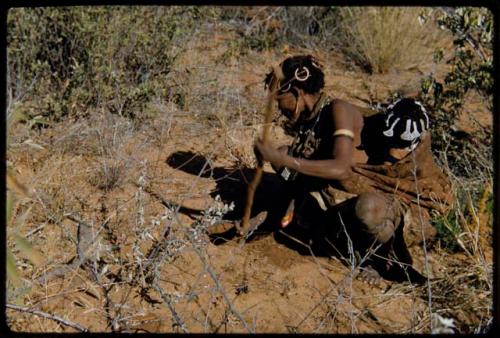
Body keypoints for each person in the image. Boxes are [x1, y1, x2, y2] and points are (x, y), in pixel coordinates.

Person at [248, 54, 453, 283]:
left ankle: (377, 260)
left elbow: (341, 170)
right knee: (287, 157)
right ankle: (333, 236)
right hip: (348, 196)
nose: (278, 107)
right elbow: (300, 172)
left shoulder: (339, 110)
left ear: (296, 92)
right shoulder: (314, 121)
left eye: (279, 99)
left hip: (393, 202)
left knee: (368, 209)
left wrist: (283, 161)